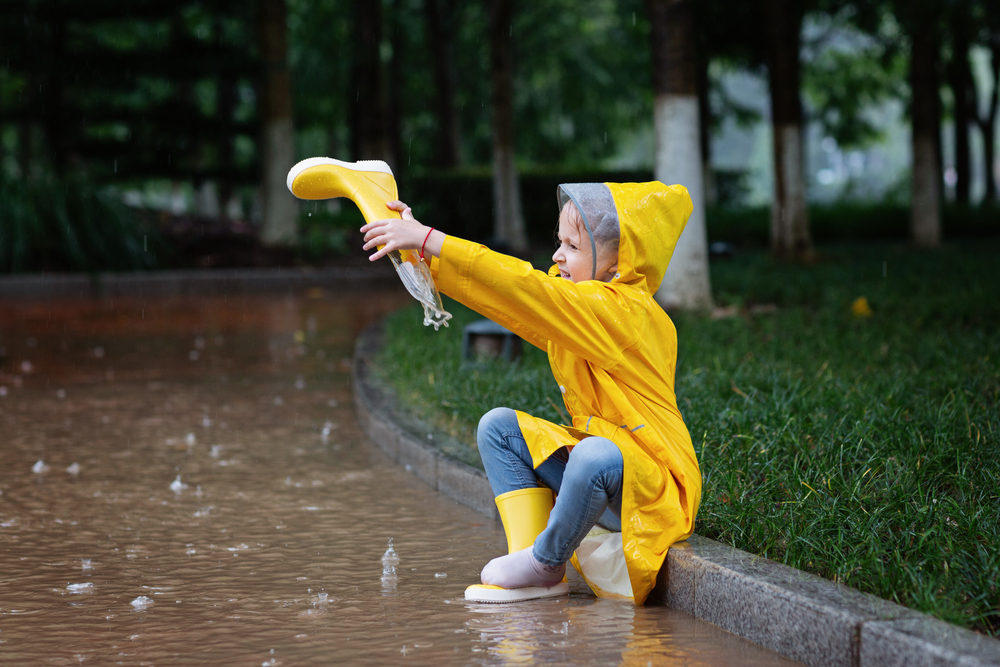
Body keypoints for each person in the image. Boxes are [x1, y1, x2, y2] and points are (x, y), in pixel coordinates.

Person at [361, 182, 701, 605]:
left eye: (573, 246)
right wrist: (423, 254)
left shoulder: (624, 313)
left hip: (651, 488)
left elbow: (527, 290)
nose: (557, 255)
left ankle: (545, 561)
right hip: (603, 472)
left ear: (618, 264)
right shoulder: (580, 308)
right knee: (499, 427)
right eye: (559, 242)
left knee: (593, 454)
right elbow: (512, 300)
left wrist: (432, 239)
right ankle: (530, 567)